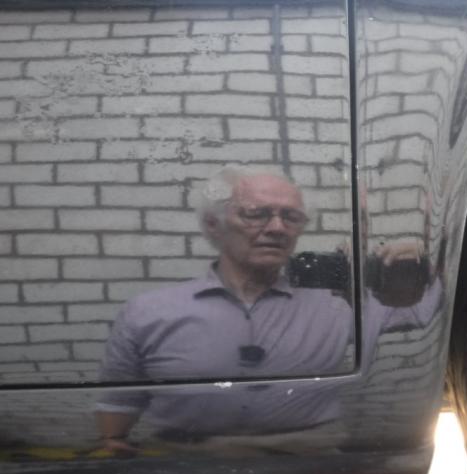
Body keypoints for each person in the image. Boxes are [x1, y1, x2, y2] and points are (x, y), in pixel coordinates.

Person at [95, 166, 442, 454]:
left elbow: (427, 308)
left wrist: (421, 268)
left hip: (313, 463)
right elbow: (118, 408)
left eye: (291, 217)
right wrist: (116, 451)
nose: (277, 228)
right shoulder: (148, 312)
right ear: (214, 225)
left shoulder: (341, 302)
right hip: (184, 465)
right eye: (256, 214)